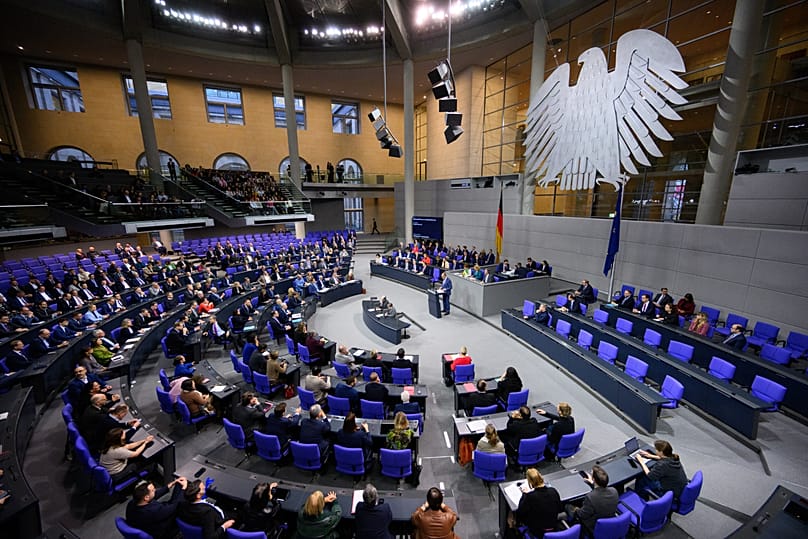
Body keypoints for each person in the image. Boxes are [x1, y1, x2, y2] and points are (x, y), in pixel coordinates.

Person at [566, 465, 619, 532]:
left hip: (594, 526)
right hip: (610, 521)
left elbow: (582, 515)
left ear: (594, 479)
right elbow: (600, 491)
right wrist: (593, 483)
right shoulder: (614, 490)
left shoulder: (591, 497)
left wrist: (576, 509)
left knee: (568, 506)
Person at [513, 468, 562, 537]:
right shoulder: (553, 491)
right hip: (553, 527)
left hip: (538, 531)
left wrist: (524, 495)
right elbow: (560, 509)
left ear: (530, 482)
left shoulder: (530, 497)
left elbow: (520, 512)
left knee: (514, 516)